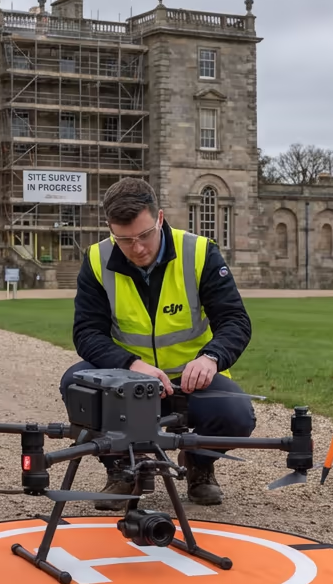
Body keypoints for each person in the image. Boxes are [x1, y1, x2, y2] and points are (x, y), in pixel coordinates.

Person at [60, 177, 255, 507]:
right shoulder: (96, 259)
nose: (137, 248)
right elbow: (86, 333)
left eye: (145, 235)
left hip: (190, 382)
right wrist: (131, 366)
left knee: (236, 414)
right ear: (110, 229)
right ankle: (122, 470)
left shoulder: (199, 252)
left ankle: (199, 464)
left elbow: (235, 321)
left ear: (160, 218)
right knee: (74, 383)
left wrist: (211, 358)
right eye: (124, 239)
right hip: (130, 381)